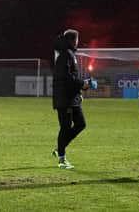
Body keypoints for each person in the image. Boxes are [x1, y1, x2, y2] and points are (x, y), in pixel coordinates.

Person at [52, 29, 89, 170]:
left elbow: (70, 77)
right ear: (73, 40)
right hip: (64, 99)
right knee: (65, 127)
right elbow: (66, 78)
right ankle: (61, 159)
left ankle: (59, 149)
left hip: (71, 98)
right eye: (77, 39)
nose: (78, 42)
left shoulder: (70, 54)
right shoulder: (64, 55)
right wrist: (81, 84)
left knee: (81, 124)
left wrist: (79, 90)